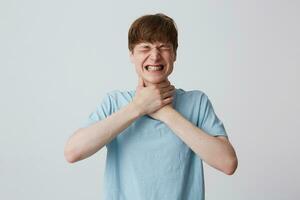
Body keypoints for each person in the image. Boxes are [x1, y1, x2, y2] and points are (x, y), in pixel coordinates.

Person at [64, 13, 238, 200]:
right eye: (145, 48)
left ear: (174, 54)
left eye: (163, 47)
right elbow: (73, 152)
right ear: (131, 54)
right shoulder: (114, 102)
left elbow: (227, 163)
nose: (154, 56)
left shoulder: (197, 102)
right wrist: (138, 107)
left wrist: (165, 113)